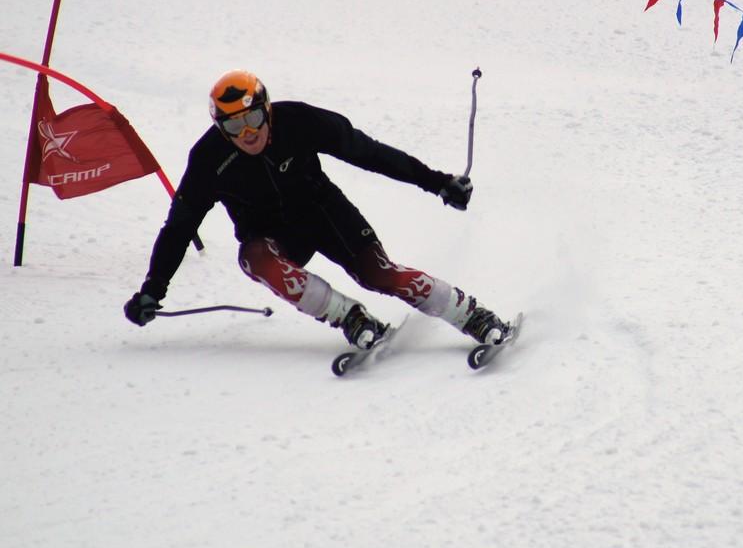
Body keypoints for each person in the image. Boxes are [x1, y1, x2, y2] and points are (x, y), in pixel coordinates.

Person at [123, 69, 510, 350]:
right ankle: (349, 316)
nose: (248, 134)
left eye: (254, 118)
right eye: (234, 126)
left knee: (378, 275)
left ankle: (471, 314)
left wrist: (437, 181)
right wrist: (152, 290)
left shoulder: (299, 121)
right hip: (271, 237)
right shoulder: (208, 159)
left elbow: (368, 152)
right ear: (220, 129)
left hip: (325, 213)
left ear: (267, 110)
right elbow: (178, 226)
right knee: (253, 257)